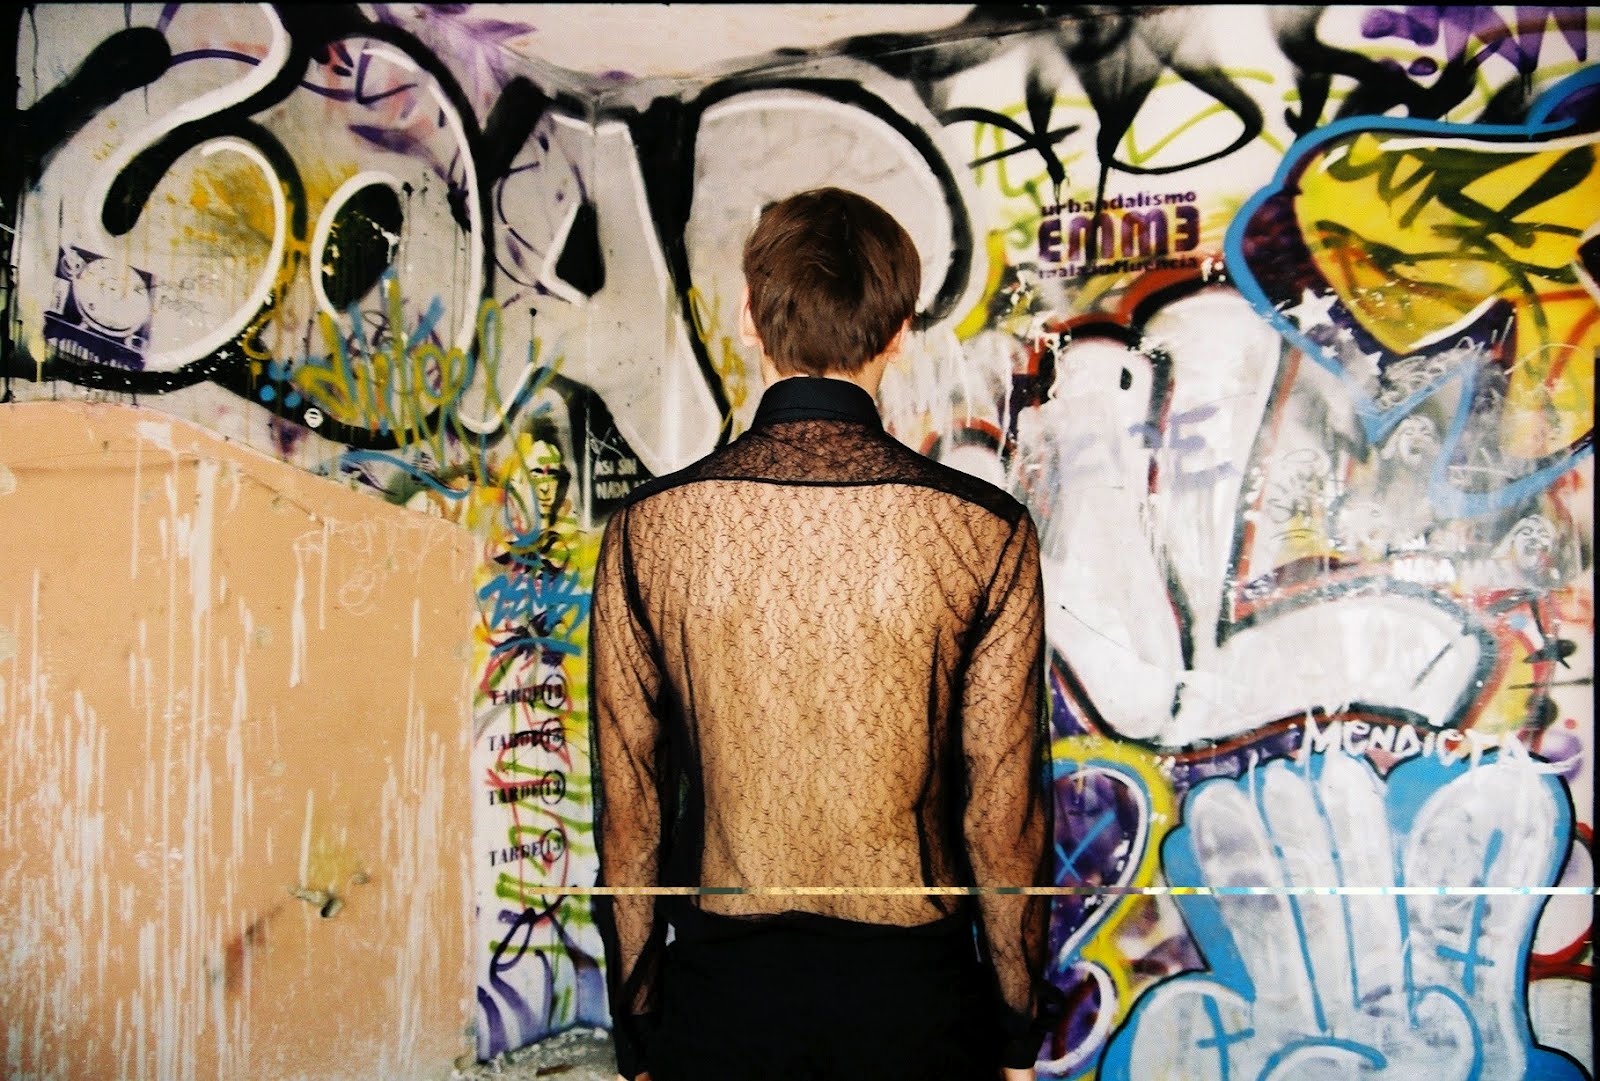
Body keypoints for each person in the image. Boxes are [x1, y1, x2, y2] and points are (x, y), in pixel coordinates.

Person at [590, 187, 1059, 1081]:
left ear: (747, 318)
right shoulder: (983, 529)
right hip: (917, 1009)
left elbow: (632, 811)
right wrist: (1014, 1033)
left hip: (721, 1006)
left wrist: (640, 1029)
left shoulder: (650, 528)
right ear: (899, 333)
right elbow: (1003, 819)